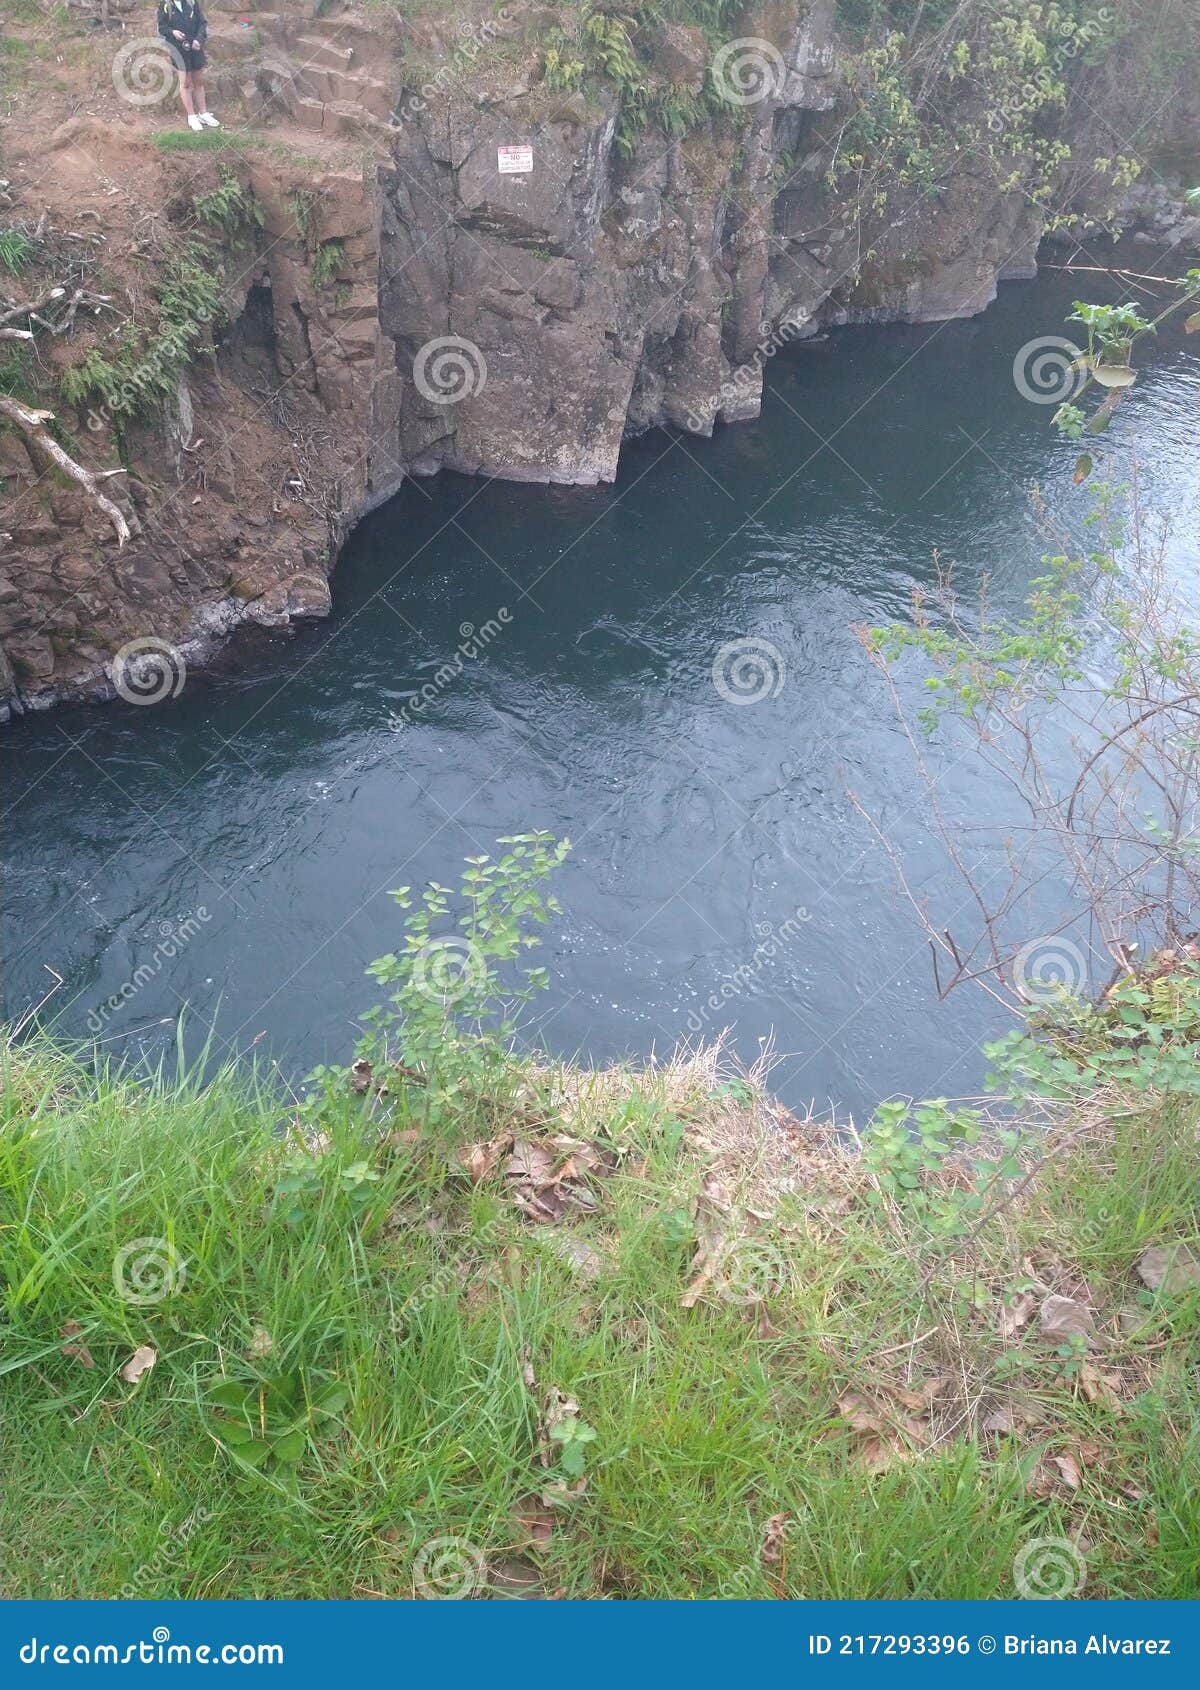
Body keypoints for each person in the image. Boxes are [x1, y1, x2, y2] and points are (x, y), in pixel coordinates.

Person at [156, 0, 219, 132]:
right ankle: (192, 116)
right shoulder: (166, 5)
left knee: (199, 80)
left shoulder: (191, 3)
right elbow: (162, 27)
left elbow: (202, 23)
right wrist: (173, 32)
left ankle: (203, 113)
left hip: (195, 47)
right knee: (185, 83)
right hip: (178, 49)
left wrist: (199, 39)